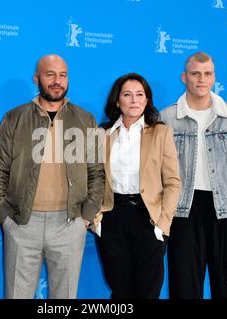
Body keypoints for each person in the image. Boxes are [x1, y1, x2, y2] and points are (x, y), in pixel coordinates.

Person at [0, 54, 104, 299]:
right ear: (36, 78)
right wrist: (5, 217)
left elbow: (97, 172)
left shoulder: (87, 119)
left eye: (62, 75)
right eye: (50, 74)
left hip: (69, 223)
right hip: (22, 223)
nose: (57, 81)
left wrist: (84, 219)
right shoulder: (14, 118)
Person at [159, 52, 227, 299]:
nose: (201, 79)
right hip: (183, 214)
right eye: (195, 73)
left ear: (214, 77)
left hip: (226, 213)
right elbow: (156, 170)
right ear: (184, 77)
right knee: (184, 289)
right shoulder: (167, 119)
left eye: (207, 74)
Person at [92, 73, 181, 299]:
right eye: (127, 95)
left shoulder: (161, 132)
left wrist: (162, 224)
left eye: (140, 94)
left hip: (148, 218)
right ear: (117, 101)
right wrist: (96, 220)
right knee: (120, 292)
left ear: (147, 100)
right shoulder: (102, 134)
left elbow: (172, 182)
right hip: (112, 218)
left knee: (147, 292)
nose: (134, 100)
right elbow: (91, 178)